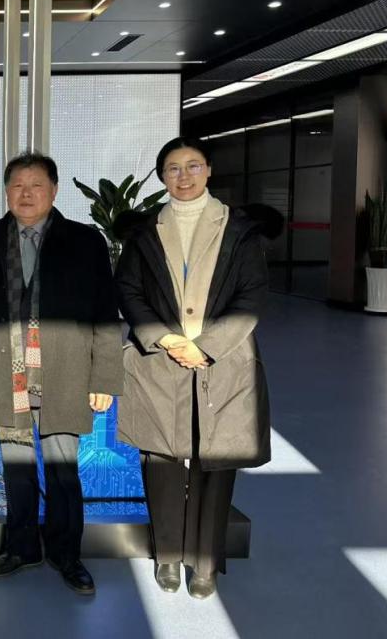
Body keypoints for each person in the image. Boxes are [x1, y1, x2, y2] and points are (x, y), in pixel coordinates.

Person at [0, 152, 122, 594]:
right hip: (6, 372)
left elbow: (105, 312)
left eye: (36, 185)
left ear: (54, 191)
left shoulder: (86, 242)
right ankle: (22, 548)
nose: (26, 193)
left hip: (65, 372)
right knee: (16, 468)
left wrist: (104, 377)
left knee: (63, 471)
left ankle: (67, 553)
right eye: (17, 185)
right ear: (6, 192)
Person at [114, 136, 273, 599]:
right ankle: (167, 554)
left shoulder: (239, 229)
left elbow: (252, 294)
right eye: (173, 168)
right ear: (163, 176)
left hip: (224, 359)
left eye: (193, 166)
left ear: (209, 170)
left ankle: (204, 563)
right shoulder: (144, 231)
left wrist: (207, 347)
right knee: (161, 458)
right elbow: (128, 290)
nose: (183, 176)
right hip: (159, 358)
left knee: (216, 459)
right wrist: (165, 338)